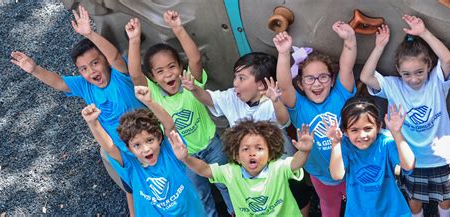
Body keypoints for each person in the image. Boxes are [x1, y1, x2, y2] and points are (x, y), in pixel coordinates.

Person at [10, 5, 143, 215]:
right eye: (84, 69)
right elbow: (59, 83)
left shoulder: (119, 74)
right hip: (122, 154)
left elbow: (115, 56)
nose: (91, 71)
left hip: (146, 143)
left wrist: (90, 33)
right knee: (132, 189)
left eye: (95, 63)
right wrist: (34, 69)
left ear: (105, 62)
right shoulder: (85, 85)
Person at [125, 12, 232, 216]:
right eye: (160, 71)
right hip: (184, 156)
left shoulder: (189, 82)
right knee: (200, 195)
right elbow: (135, 74)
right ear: (153, 78)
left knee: (226, 184)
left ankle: (236, 211)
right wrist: (134, 40)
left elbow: (195, 58)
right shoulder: (154, 93)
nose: (168, 74)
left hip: (212, 145)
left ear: (180, 68)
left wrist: (177, 28)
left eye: (172, 67)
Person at [181, 52, 313, 215]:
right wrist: (194, 89)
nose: (235, 83)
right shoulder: (232, 97)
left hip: (280, 160)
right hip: (248, 166)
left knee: (297, 192)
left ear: (261, 85)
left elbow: (283, 120)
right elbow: (209, 98)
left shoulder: (272, 100)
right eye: (235, 77)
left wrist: (276, 101)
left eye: (242, 78)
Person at [360, 15, 450, 217]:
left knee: (445, 198)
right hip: (412, 158)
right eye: (406, 74)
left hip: (441, 155)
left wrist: (423, 32)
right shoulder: (392, 85)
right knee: (414, 199)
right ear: (398, 70)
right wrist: (379, 46)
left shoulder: (437, 82)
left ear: (429, 68)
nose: (413, 79)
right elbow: (365, 77)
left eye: (419, 72)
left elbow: (447, 58)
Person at [274, 21, 357, 217]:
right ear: (301, 84)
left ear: (332, 79)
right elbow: (285, 86)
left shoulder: (341, 95)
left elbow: (347, 66)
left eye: (323, 77)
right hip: (320, 175)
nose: (317, 83)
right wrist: (284, 53)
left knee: (358, 207)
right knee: (328, 206)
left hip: (352, 170)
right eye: (309, 78)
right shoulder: (298, 105)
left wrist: (350, 40)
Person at [81, 86, 206, 216]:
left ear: (158, 137)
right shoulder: (132, 168)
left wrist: (149, 102)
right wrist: (93, 123)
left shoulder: (171, 154)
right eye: (137, 145)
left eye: (150, 140)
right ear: (129, 149)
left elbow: (170, 126)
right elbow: (110, 148)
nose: (146, 149)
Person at [170, 119, 314, 217]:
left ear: (270, 154)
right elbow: (205, 170)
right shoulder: (230, 172)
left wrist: (304, 151)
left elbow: (295, 163)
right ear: (236, 156)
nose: (252, 153)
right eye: (245, 149)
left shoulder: (277, 168)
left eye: (259, 148)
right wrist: (186, 158)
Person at [327, 96, 415, 216]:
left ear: (378, 127)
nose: (362, 135)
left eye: (368, 128)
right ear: (345, 132)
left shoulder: (386, 142)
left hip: (393, 211)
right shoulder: (345, 145)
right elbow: (337, 175)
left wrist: (397, 133)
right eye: (354, 130)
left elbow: (409, 165)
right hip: (359, 213)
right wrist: (335, 144)